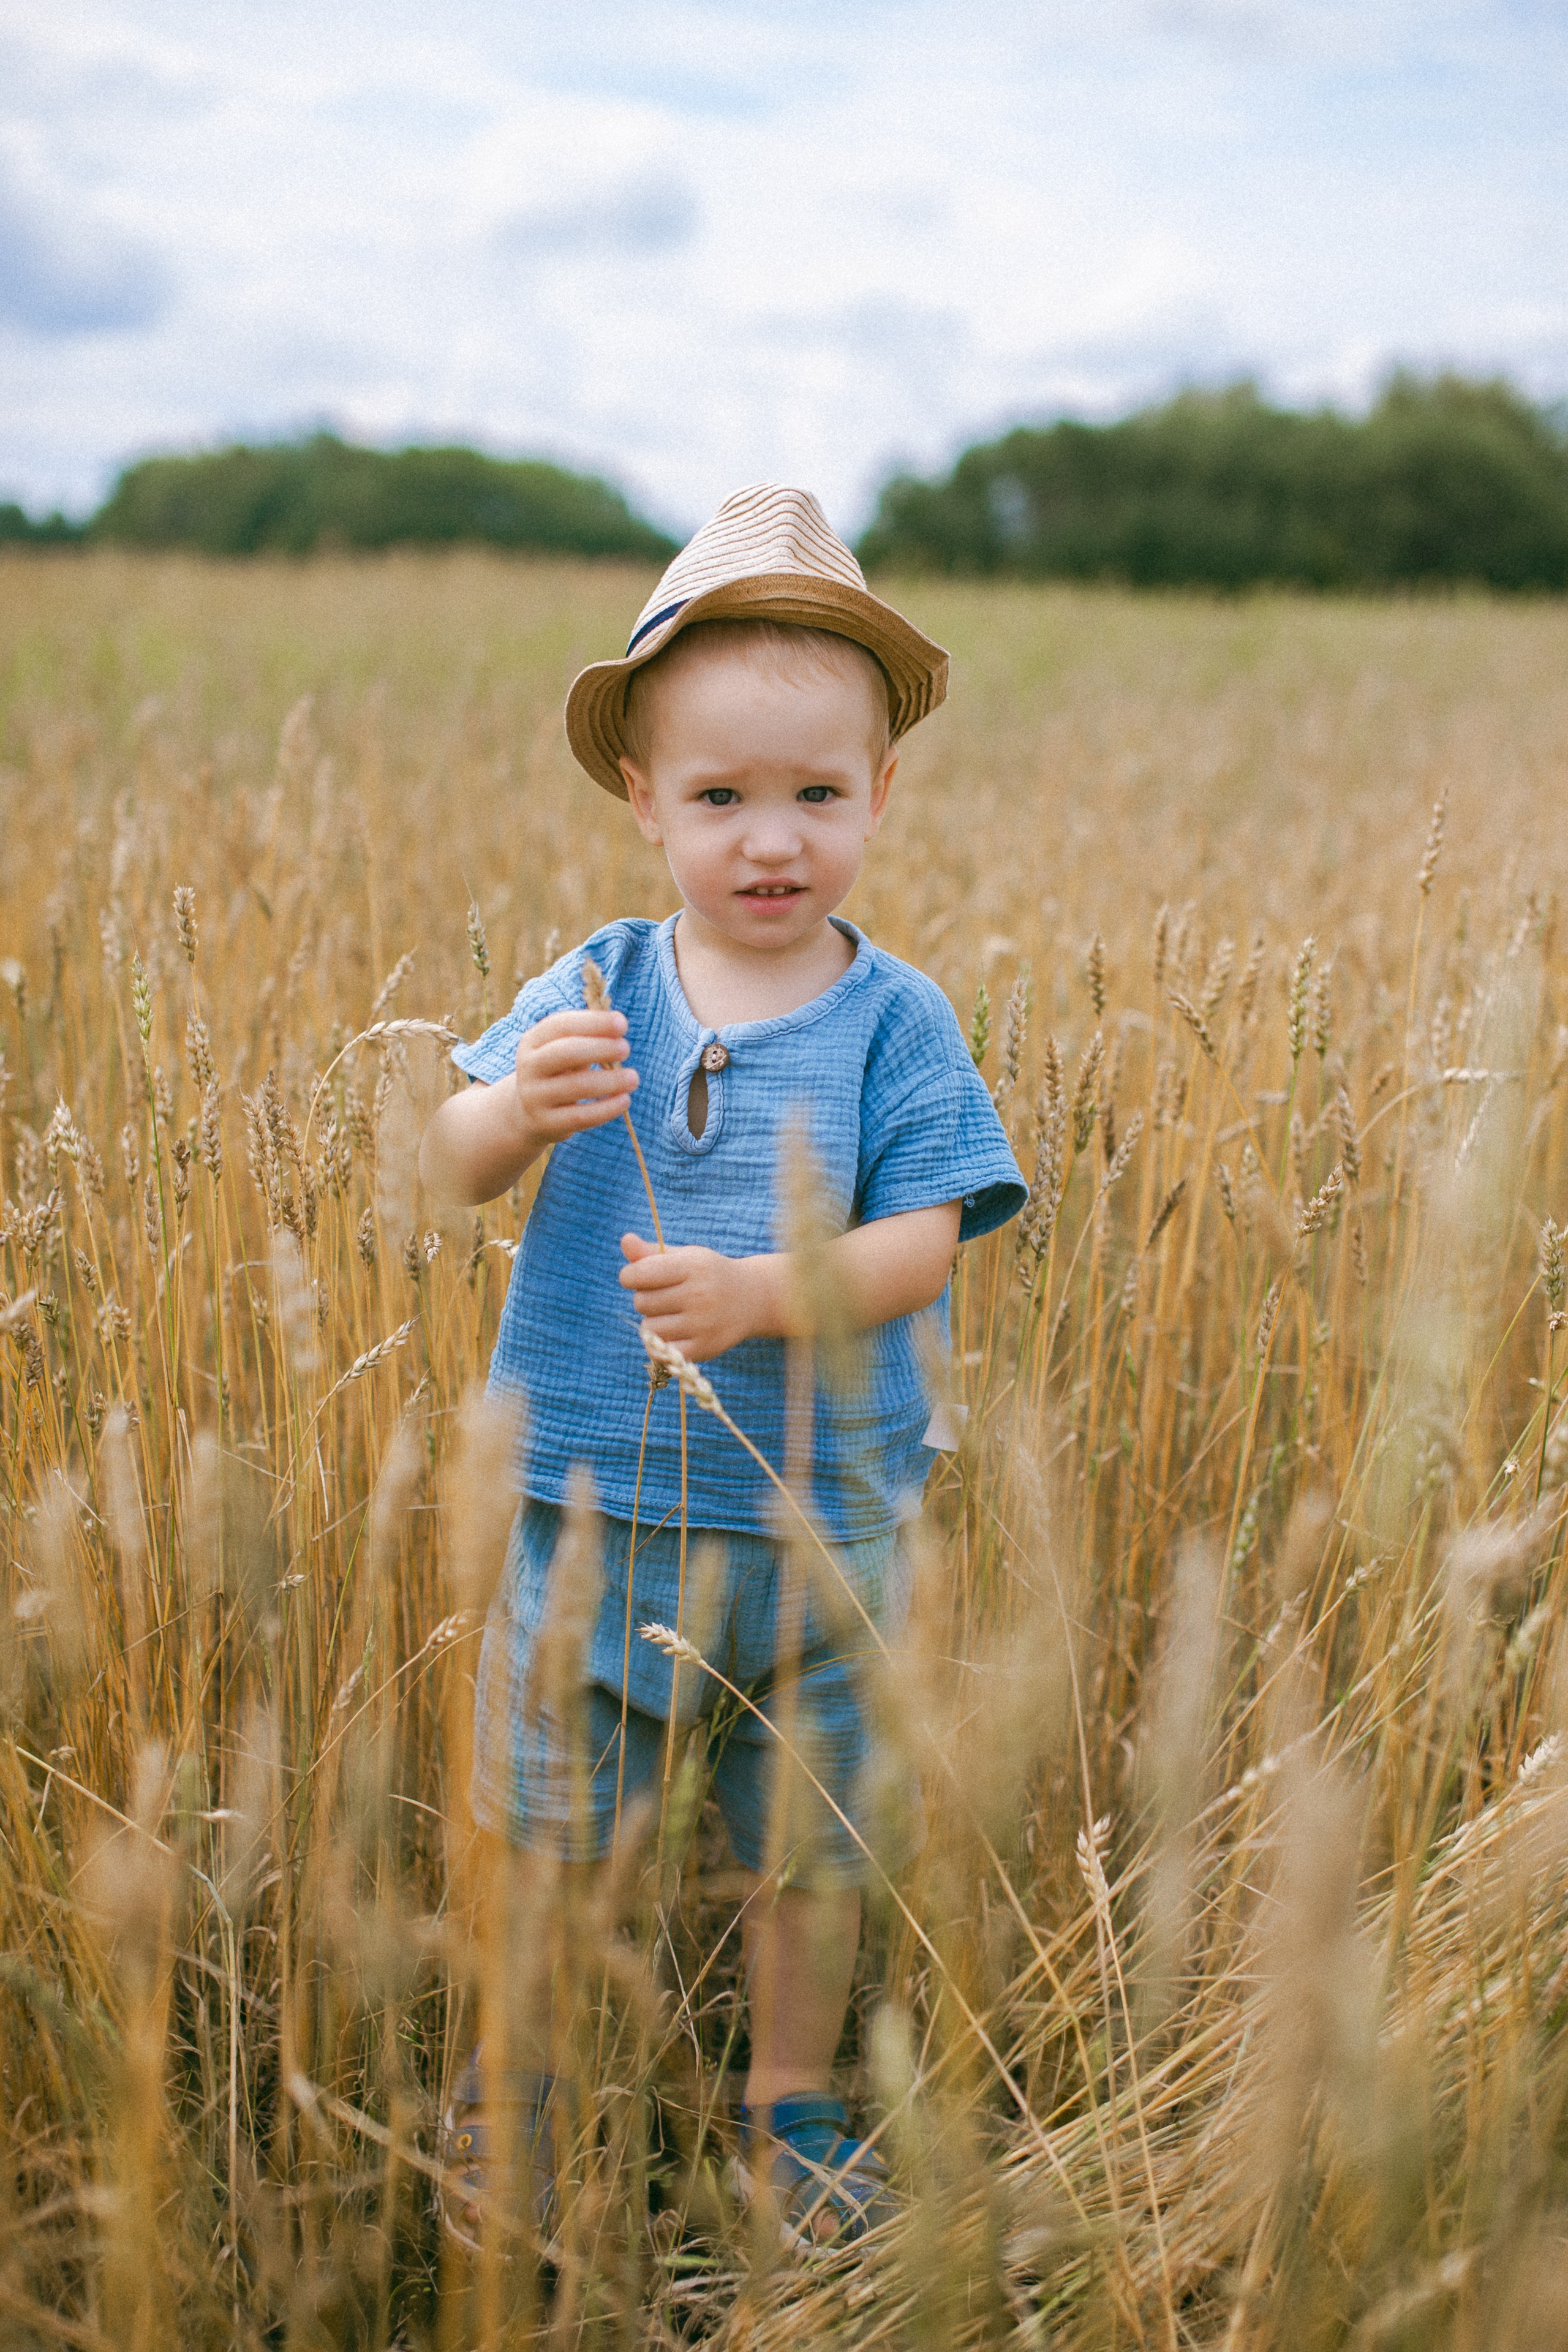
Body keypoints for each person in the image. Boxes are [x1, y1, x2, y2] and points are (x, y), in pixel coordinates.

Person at [418, 483, 1026, 2249]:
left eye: (817, 797)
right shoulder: (598, 985)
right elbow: (449, 1166)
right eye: (722, 800)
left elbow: (935, 1232)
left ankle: (794, 2105)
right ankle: (517, 2092)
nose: (773, 842)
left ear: (882, 795)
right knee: (548, 1827)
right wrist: (506, 1108)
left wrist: (771, 1294)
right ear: (643, 800)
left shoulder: (896, 1017)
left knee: (808, 1849)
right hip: (586, 1507)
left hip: (818, 1521)